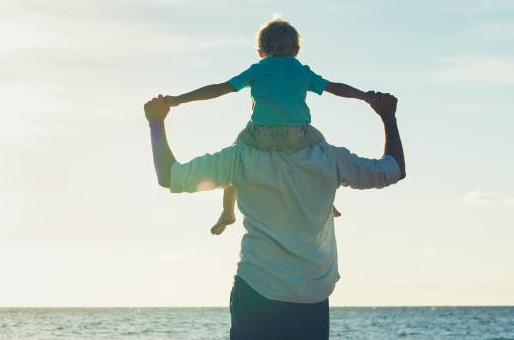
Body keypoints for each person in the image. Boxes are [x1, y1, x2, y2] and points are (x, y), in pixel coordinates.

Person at [144, 89, 406, 340]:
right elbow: (392, 170)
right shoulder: (329, 157)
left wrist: (156, 122)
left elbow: (169, 176)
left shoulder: (240, 156)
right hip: (310, 295)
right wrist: (388, 117)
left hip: (257, 291)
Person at [165, 17, 373, 234]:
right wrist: (365, 96)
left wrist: (180, 99)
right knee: (322, 151)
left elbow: (220, 88)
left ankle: (228, 210)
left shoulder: (258, 69)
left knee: (235, 161)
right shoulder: (301, 71)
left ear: (260, 51)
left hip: (260, 135)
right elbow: (336, 87)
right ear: (296, 49)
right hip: (298, 136)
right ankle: (328, 202)